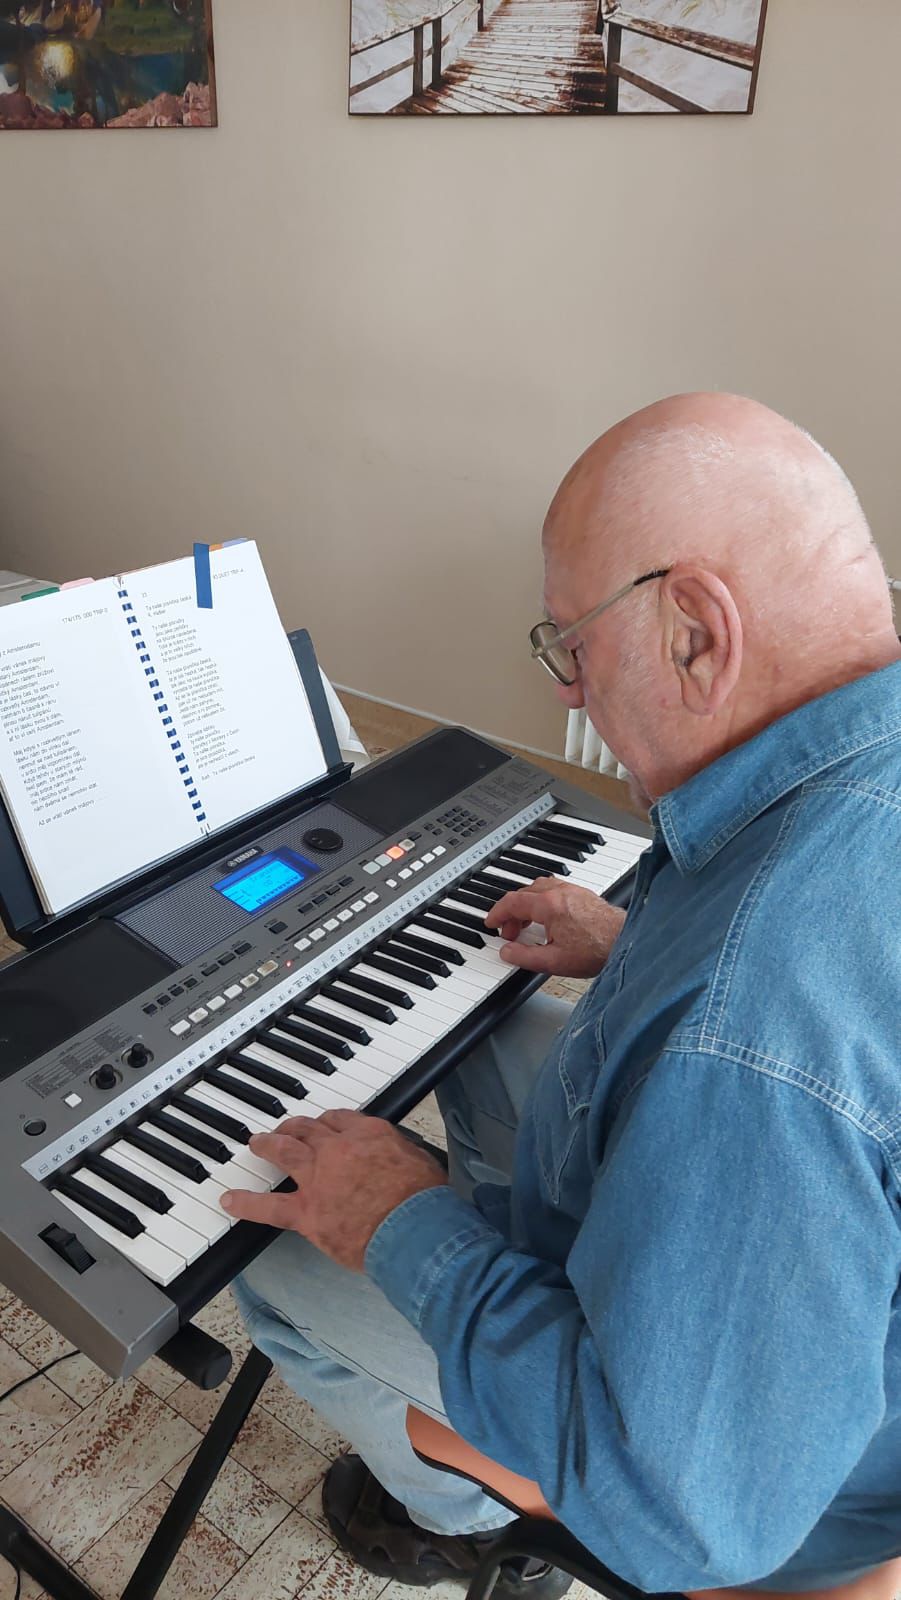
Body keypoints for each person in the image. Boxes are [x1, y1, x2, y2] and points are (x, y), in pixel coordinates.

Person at [224, 393, 901, 1596]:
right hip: (812, 1316)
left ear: (697, 634)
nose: (568, 696)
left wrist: (400, 1220)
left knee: (263, 1254)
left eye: (571, 648)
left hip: (762, 1477)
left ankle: (452, 1514)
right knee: (499, 1019)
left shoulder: (751, 1020)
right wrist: (641, 943)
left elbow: (686, 1513)